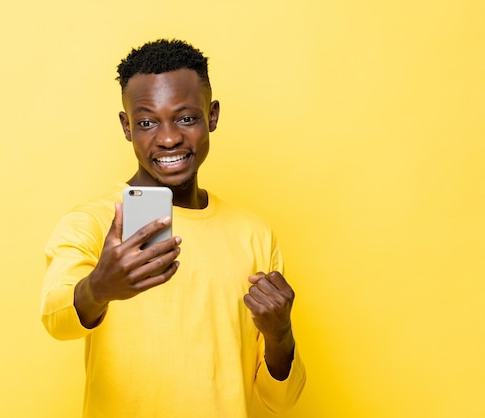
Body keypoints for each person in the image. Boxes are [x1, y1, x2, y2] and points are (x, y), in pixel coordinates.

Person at [41, 39, 306, 417]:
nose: (168, 138)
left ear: (211, 116)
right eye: (147, 122)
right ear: (126, 126)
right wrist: (98, 288)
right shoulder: (94, 222)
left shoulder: (254, 234)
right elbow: (56, 319)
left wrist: (280, 334)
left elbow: (280, 400)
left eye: (185, 118)